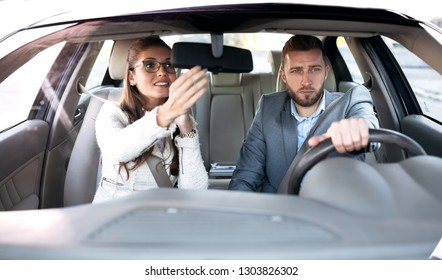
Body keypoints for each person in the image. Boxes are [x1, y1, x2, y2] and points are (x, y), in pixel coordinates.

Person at [228, 35, 379, 193]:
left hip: (335, 210)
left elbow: (368, 126)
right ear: (283, 76)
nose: (306, 81)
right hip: (279, 210)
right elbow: (245, 177)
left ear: (325, 72)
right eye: (296, 70)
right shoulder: (268, 107)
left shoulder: (350, 102)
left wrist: (358, 130)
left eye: (315, 69)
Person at [93, 36, 208, 203]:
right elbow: (117, 150)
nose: (162, 71)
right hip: (115, 215)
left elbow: (194, 191)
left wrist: (185, 126)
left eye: (169, 65)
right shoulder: (112, 112)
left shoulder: (182, 120)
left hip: (160, 217)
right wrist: (164, 115)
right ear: (132, 77)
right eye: (150, 65)